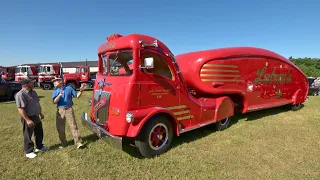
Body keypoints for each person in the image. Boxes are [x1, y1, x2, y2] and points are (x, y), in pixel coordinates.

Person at [15, 78, 49, 158]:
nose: (33, 84)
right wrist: (27, 120)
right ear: (26, 85)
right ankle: (29, 151)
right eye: (31, 83)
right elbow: (21, 109)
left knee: (39, 132)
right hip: (28, 117)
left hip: (36, 116)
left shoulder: (33, 92)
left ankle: (39, 146)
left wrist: (40, 113)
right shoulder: (20, 94)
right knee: (28, 134)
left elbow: (37, 103)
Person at [52, 77, 87, 149]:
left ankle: (78, 142)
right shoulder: (55, 91)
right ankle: (64, 143)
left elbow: (77, 96)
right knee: (60, 128)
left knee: (73, 126)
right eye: (54, 81)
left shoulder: (69, 88)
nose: (54, 82)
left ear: (61, 81)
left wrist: (81, 91)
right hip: (60, 110)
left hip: (69, 109)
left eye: (56, 81)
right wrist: (59, 95)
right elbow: (54, 102)